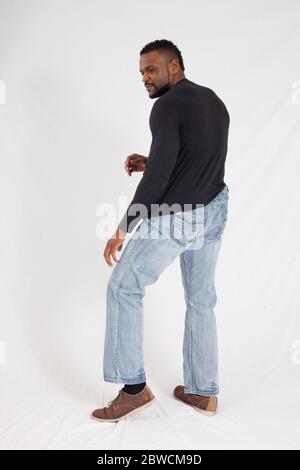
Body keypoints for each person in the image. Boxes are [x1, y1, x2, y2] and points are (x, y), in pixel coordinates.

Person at [91, 39, 230, 422]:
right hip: (215, 209)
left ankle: (133, 389)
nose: (145, 78)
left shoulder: (166, 107)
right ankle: (203, 392)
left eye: (151, 70)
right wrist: (152, 161)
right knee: (201, 300)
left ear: (174, 66)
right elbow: (198, 156)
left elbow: (158, 185)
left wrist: (122, 228)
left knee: (123, 286)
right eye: (141, 72)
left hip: (179, 216)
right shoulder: (212, 100)